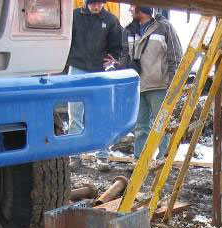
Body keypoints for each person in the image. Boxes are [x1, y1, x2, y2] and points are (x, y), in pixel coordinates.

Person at [109, 5, 182, 161]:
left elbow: (175, 56)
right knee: (140, 127)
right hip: (138, 86)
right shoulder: (129, 30)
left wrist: (173, 81)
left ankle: (164, 159)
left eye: (132, 5)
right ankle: (140, 160)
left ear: (141, 7)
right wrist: (118, 66)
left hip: (159, 85)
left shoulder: (164, 27)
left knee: (161, 124)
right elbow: (126, 56)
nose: (129, 9)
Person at [65, 0, 123, 172]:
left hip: (100, 70)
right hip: (77, 67)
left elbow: (117, 45)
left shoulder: (111, 21)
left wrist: (113, 58)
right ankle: (74, 155)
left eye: (99, 3)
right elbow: (66, 39)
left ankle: (102, 156)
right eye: (93, 4)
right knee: (75, 112)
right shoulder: (74, 17)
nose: (96, 7)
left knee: (102, 113)